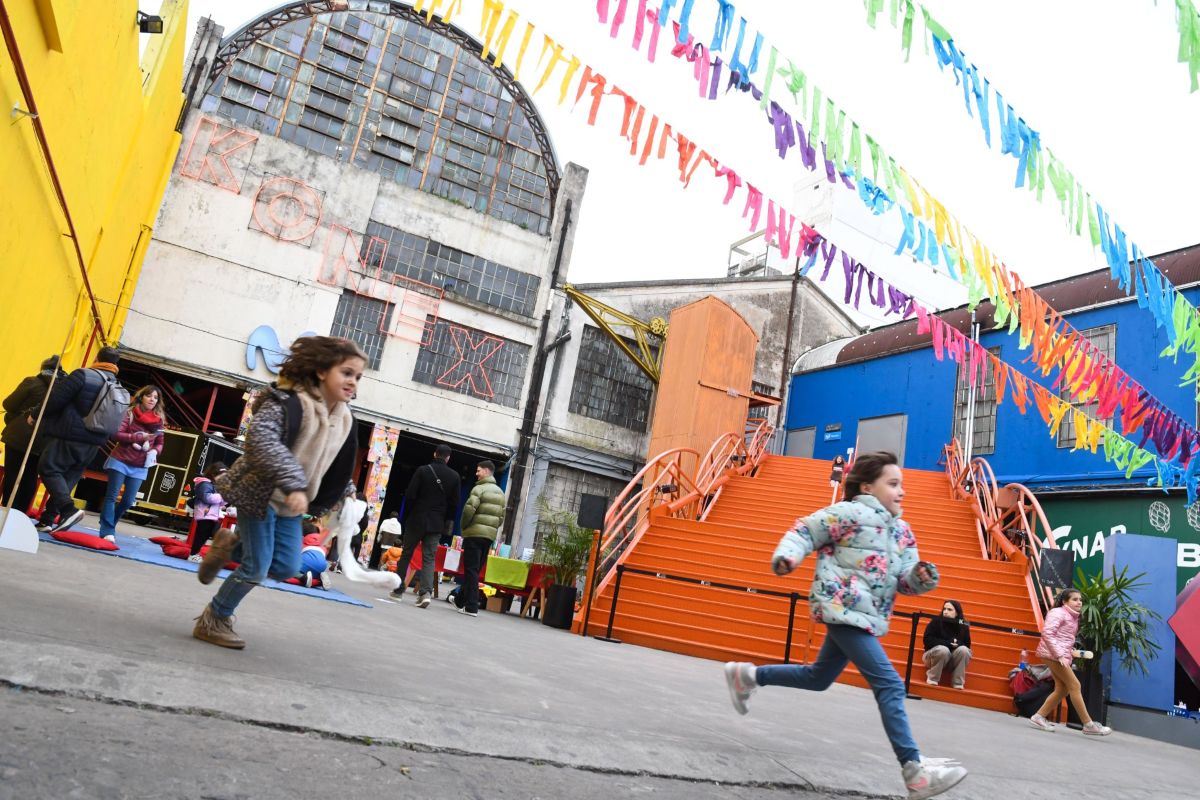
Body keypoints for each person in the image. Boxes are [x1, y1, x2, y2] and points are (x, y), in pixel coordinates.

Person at [722, 451, 967, 800]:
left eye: (902, 485)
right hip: (841, 607)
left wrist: (921, 577)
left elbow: (905, 582)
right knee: (890, 684)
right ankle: (914, 771)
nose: (902, 491)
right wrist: (789, 555)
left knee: (817, 678)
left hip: (867, 616)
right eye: (893, 483)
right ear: (867, 485)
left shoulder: (903, 532)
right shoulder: (849, 513)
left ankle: (746, 676)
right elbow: (805, 530)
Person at [192, 336, 364, 649]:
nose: (353, 382)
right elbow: (261, 441)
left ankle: (227, 547)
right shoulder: (288, 401)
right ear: (323, 371)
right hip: (259, 493)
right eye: (347, 373)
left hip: (292, 503)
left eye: (358, 377)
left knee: (285, 567)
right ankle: (214, 618)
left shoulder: (346, 419)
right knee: (256, 569)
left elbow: (340, 464)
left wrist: (340, 495)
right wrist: (294, 482)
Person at [36, 346, 124, 533]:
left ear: (97, 357)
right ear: (116, 364)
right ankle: (48, 519)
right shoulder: (117, 385)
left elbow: (55, 400)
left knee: (48, 468)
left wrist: (35, 415)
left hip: (70, 434)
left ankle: (69, 510)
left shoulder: (82, 375)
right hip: (95, 441)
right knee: (69, 477)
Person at [1027, 588, 1112, 736]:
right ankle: (1088, 724)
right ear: (1065, 601)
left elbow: (1062, 638)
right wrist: (1060, 654)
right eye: (1075, 599)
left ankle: (1038, 717)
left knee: (1062, 689)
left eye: (1080, 600)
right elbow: (1047, 633)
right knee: (1075, 685)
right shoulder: (1058, 613)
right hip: (1053, 655)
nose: (1079, 602)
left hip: (1056, 655)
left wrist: (1069, 651)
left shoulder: (1071, 616)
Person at [391, 444, 461, 608]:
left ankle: (398, 590)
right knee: (429, 558)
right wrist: (446, 522)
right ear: (448, 458)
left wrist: (407, 516)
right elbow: (454, 504)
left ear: (435, 454)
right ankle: (425, 593)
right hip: (436, 523)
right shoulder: (455, 477)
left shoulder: (423, 470)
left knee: (407, 554)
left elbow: (410, 496)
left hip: (416, 519)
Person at [98, 385, 165, 542]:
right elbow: (116, 434)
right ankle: (107, 530)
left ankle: (109, 524)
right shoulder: (129, 413)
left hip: (141, 466)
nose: (152, 399)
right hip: (120, 460)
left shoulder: (159, 420)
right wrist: (138, 437)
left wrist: (155, 451)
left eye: (155, 397)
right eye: (149, 396)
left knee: (128, 501)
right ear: (142, 397)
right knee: (112, 496)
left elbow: (160, 442)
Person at [2, 355, 60, 514]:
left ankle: (7, 509)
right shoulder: (62, 390)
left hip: (18, 435)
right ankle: (20, 513)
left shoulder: (32, 382)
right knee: (31, 476)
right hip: (44, 440)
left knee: (12, 473)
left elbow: (8, 404)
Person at [455, 460, 505, 618]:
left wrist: (464, 527)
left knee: (470, 569)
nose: (476, 473)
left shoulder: (479, 489)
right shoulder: (500, 493)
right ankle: (459, 600)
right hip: (488, 536)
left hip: (474, 534)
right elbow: (501, 517)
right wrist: (492, 529)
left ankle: (471, 606)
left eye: (479, 471)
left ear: (487, 471)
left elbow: (469, 510)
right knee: (475, 570)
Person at [922, 600, 972, 689]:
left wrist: (957, 644)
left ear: (957, 613)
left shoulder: (963, 624)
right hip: (932, 657)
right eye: (944, 609)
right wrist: (948, 643)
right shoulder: (936, 621)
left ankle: (957, 682)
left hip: (951, 660)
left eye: (949, 609)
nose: (945, 611)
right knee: (943, 649)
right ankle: (933, 678)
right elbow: (927, 640)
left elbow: (967, 645)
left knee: (964, 650)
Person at [188, 461, 228, 561]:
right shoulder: (204, 484)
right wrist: (222, 496)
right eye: (222, 477)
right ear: (214, 474)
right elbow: (207, 498)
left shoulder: (214, 485)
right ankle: (193, 554)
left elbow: (220, 503)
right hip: (204, 514)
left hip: (211, 515)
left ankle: (201, 553)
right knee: (202, 535)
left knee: (209, 534)